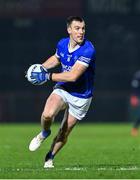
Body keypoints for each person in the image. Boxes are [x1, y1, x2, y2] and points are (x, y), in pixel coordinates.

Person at [26, 16, 96, 168]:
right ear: (69, 30)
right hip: (64, 88)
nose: (81, 32)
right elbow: (57, 58)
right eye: (77, 28)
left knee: (64, 132)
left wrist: (47, 75)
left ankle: (49, 157)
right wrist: (41, 68)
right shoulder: (62, 44)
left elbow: (73, 76)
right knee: (47, 114)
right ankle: (44, 133)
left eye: (83, 28)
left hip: (82, 96)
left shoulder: (88, 49)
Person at [130, 70, 140, 136]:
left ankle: (135, 128)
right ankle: (135, 128)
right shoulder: (138, 75)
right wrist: (134, 96)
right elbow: (134, 86)